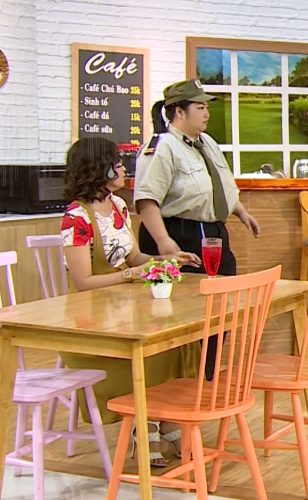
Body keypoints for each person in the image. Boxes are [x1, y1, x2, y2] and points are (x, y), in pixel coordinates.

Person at [59, 136, 202, 466]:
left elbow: (135, 257)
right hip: (89, 319)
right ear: (98, 169)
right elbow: (83, 283)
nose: (124, 169)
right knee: (149, 346)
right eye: (117, 163)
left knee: (176, 342)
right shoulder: (75, 218)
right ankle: (145, 425)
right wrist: (129, 276)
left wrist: (165, 260)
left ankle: (165, 419)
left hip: (124, 305)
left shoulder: (119, 206)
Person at [133, 79, 261, 379]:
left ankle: (208, 377)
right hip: (178, 234)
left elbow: (218, 185)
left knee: (221, 307)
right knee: (184, 315)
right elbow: (146, 200)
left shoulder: (207, 143)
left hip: (213, 232)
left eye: (206, 107)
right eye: (200, 107)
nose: (206, 113)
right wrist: (164, 243)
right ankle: (182, 382)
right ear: (179, 112)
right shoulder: (162, 147)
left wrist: (241, 212)